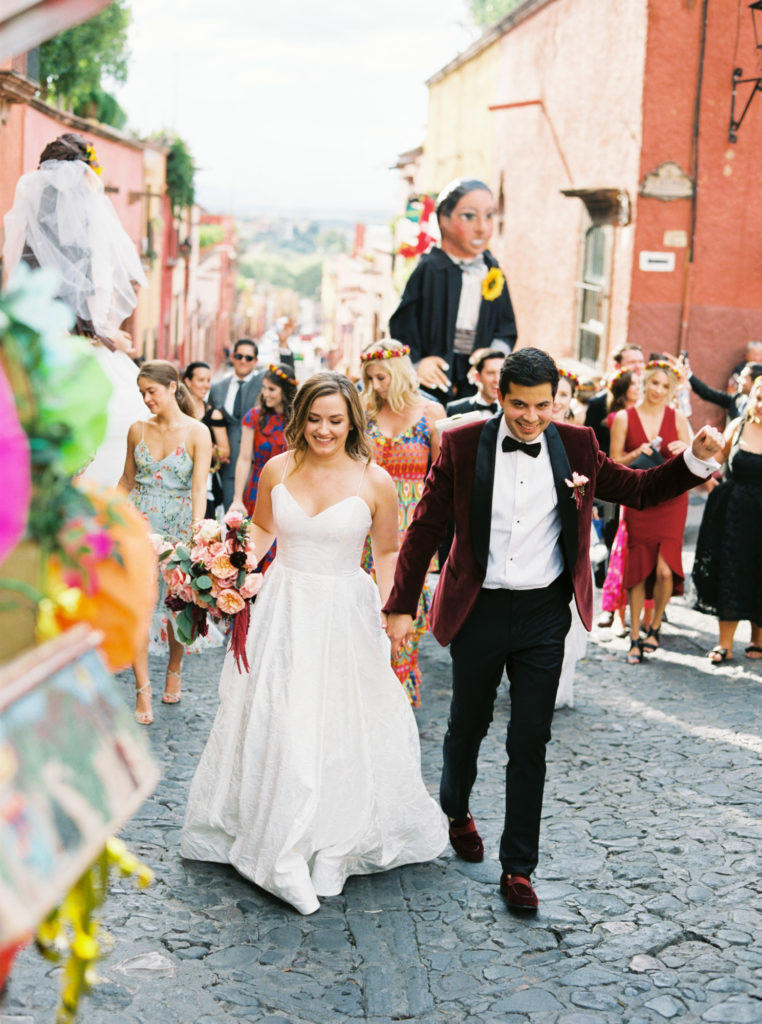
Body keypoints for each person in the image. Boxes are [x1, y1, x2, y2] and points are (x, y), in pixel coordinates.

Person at [383, 348, 723, 911]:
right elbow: (425, 528)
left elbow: (637, 491)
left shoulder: (578, 444)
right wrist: (400, 606)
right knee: (466, 727)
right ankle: (456, 808)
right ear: (500, 397)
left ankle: (519, 868)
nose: (531, 418)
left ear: (555, 400)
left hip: (545, 613)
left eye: (542, 406)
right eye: (520, 405)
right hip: (479, 609)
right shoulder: (463, 445)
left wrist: (695, 462)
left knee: (530, 741)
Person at [181, 372, 448, 915]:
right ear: (300, 418)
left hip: (345, 612)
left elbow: (391, 555)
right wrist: (217, 576)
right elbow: (258, 538)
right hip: (283, 608)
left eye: (335, 420)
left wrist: (397, 613)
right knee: (283, 719)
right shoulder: (278, 469)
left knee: (340, 724)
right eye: (315, 419)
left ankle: (334, 843)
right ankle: (283, 849)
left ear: (352, 422)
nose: (324, 430)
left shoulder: (374, 481)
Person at [2, 132, 148, 486]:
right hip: (82, 352)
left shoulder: (21, 234)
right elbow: (88, 316)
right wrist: (108, 337)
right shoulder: (88, 238)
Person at [118, 361, 213, 723]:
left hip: (178, 528)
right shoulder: (136, 430)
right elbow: (127, 480)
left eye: (151, 391)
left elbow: (198, 487)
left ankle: (174, 667)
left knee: (176, 607)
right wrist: (107, 515)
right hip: (140, 526)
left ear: (173, 387)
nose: (145, 399)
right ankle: (142, 690)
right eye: (141, 392)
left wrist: (196, 531)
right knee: (139, 607)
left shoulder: (197, 433)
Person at [360, 341, 445, 707]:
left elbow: (443, 479)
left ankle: (396, 698)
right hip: (367, 526)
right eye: (370, 378)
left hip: (414, 529)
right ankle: (364, 693)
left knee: (406, 616)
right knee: (366, 612)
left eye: (381, 377)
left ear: (398, 374)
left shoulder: (430, 413)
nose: (377, 385)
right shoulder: (363, 413)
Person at [388, 178, 517, 405]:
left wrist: (493, 355)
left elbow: (505, 327)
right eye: (468, 216)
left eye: (489, 216)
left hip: (476, 377)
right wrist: (418, 362)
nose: (482, 228)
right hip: (434, 373)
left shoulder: (492, 270)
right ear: (444, 220)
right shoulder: (431, 269)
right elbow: (403, 323)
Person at [609, 361, 691, 664]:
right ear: (644, 383)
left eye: (665, 386)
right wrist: (635, 453)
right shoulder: (624, 418)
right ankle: (633, 636)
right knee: (637, 570)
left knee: (664, 570)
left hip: (672, 501)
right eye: (654, 383)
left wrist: (685, 448)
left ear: (672, 391)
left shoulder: (678, 418)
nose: (658, 390)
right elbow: (615, 463)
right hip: (639, 499)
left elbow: (693, 460)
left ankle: (654, 626)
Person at [693, 374, 762, 664]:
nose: (761, 404)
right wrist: (710, 482)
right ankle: (724, 643)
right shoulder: (739, 424)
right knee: (730, 571)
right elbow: (715, 460)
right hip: (733, 515)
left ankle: (758, 640)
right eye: (759, 397)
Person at [230, 363, 297, 569]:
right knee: (255, 545)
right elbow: (244, 458)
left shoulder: (296, 419)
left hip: (289, 488)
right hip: (257, 490)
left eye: (272, 389)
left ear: (285, 391)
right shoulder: (254, 416)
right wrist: (237, 498)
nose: (266, 394)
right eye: (264, 388)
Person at [598, 369, 650, 635]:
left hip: (647, 488)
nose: (640, 388)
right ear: (624, 390)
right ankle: (614, 610)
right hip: (622, 487)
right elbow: (614, 459)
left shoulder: (649, 413)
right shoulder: (616, 417)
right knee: (618, 547)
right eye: (635, 385)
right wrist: (640, 451)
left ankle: (643, 611)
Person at [209, 338, 263, 508]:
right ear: (232, 357)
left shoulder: (263, 385)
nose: (243, 361)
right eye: (239, 356)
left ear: (255, 361)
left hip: (259, 467)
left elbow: (287, 379)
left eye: (248, 358)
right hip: (229, 469)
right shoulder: (217, 388)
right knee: (231, 522)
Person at [182, 360, 230, 519]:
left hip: (206, 483)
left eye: (208, 380)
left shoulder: (214, 414)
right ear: (188, 381)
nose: (206, 385)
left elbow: (224, 451)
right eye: (201, 380)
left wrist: (200, 449)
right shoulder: (178, 414)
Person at [584, 344, 645, 455]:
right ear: (617, 366)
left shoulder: (649, 400)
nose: (638, 367)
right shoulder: (598, 404)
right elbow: (589, 445)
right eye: (632, 362)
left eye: (641, 362)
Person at [684, 358, 762, 424]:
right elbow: (707, 393)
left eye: (744, 378)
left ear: (755, 382)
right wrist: (688, 374)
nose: (739, 380)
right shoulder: (737, 399)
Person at [446, 348, 504, 417]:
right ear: (477, 376)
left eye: (502, 373)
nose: (497, 380)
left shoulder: (513, 410)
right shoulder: (454, 410)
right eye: (490, 373)